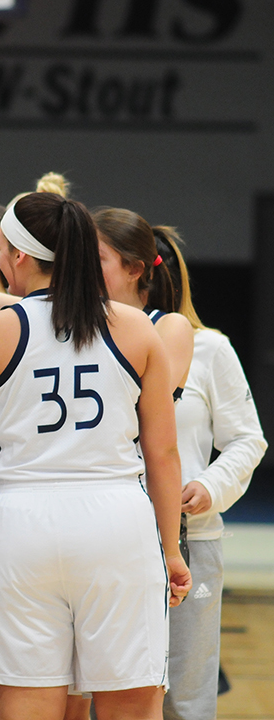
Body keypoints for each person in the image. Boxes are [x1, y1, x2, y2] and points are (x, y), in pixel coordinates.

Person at [0, 193, 191, 720]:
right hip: (116, 520)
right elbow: (163, 453)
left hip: (20, 525)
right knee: (132, 703)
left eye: (0, 248)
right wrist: (170, 550)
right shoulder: (136, 326)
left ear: (19, 257)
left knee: (28, 701)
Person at [154, 227, 267, 720]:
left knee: (186, 697)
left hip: (191, 540)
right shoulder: (93, 346)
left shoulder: (210, 349)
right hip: (107, 538)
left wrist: (209, 485)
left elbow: (248, 439)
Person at [92, 208, 193, 395]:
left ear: (134, 270)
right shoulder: (78, 323)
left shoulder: (170, 327)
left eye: (96, 259)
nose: (84, 268)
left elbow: (138, 405)